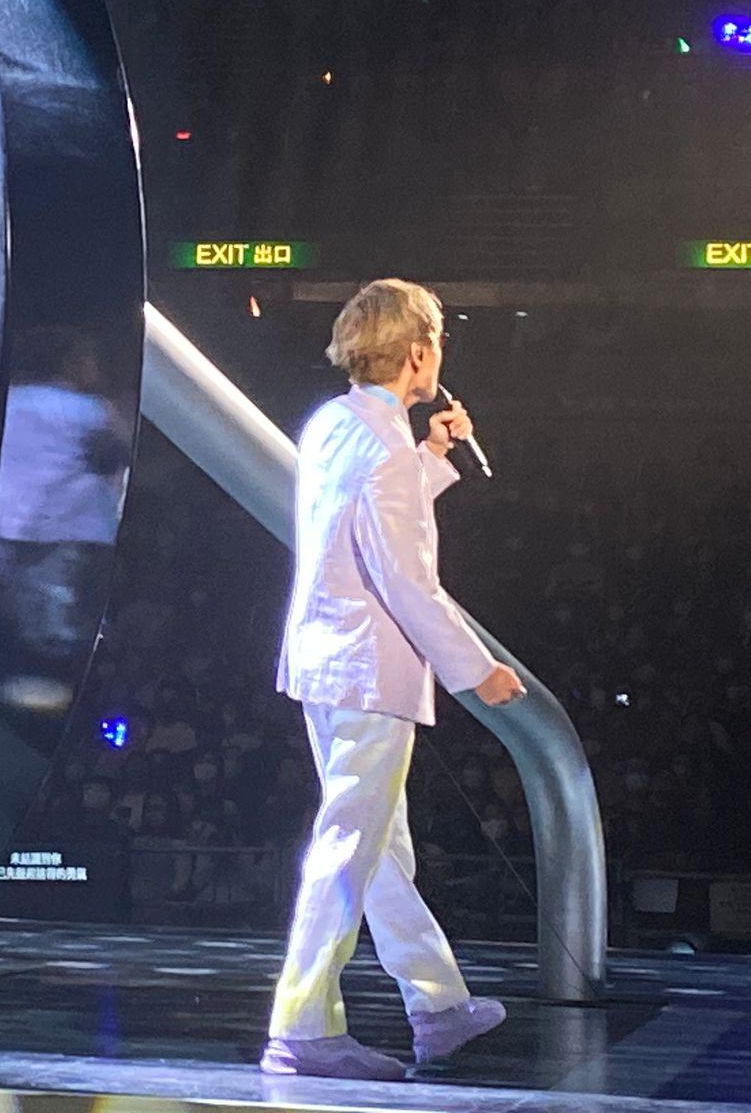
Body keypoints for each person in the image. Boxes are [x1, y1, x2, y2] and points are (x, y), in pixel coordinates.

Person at [260, 279, 524, 1081]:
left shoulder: (336, 424)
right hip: (368, 671)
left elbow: (363, 516)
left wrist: (431, 459)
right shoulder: (381, 446)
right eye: (437, 340)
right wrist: (477, 672)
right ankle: (302, 1027)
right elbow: (406, 578)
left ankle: (437, 1006)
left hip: (326, 662)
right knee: (350, 847)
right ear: (417, 353)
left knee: (376, 850)